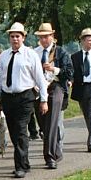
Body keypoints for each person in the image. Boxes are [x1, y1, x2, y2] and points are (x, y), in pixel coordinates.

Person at [0, 22, 49, 179]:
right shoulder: (4, 55)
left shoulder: (30, 55)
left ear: (23, 37)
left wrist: (44, 100)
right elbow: (0, 78)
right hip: (7, 97)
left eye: (17, 36)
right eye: (12, 36)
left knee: (20, 130)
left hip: (25, 97)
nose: (15, 39)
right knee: (14, 132)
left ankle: (20, 166)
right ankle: (24, 163)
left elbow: (40, 79)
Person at [33, 23, 73, 169]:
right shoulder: (34, 53)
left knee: (50, 121)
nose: (44, 40)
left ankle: (49, 157)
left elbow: (69, 72)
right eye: (41, 37)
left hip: (56, 87)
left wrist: (54, 69)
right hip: (38, 88)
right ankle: (56, 151)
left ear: (52, 36)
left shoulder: (61, 52)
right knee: (43, 123)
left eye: (46, 36)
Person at [70, 28, 91, 153]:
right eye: (89, 40)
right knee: (88, 116)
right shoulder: (75, 57)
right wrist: (70, 81)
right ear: (83, 41)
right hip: (81, 89)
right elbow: (72, 73)